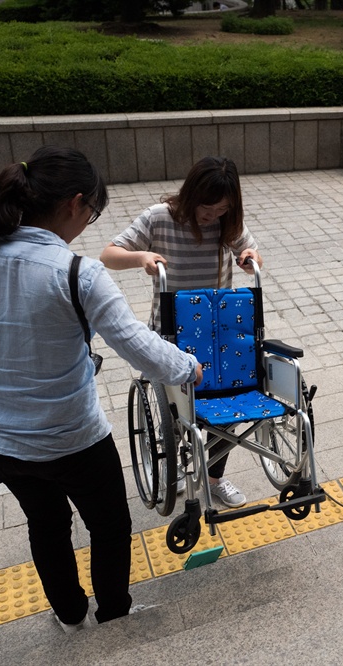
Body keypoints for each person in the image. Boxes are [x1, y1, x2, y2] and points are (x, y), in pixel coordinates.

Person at [0, 146, 203, 633]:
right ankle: (114, 612)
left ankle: (69, 615)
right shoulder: (77, 273)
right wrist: (188, 367)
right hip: (73, 439)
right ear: (75, 203)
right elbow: (137, 345)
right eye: (93, 212)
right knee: (108, 526)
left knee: (45, 524)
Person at [100, 156, 262, 509]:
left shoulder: (228, 223)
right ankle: (173, 466)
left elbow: (252, 256)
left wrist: (250, 257)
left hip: (217, 332)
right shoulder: (159, 217)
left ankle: (215, 478)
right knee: (176, 413)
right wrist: (141, 256)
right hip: (171, 333)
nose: (212, 217)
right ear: (191, 195)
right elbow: (108, 255)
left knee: (227, 407)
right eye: (207, 208)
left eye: (222, 210)